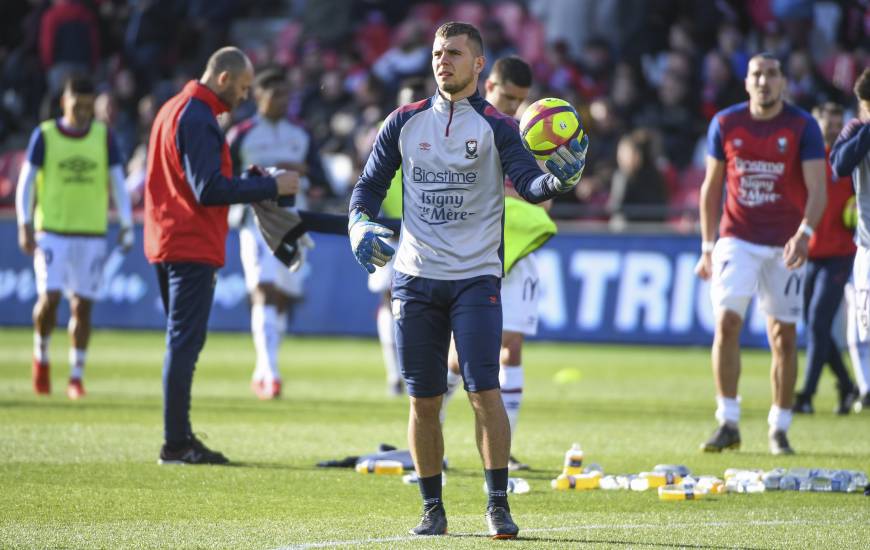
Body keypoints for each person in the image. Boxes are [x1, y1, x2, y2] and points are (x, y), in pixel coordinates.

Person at [348, 22, 587, 538]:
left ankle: (497, 503)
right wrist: (358, 224)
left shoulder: (500, 127)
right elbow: (367, 188)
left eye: (454, 53)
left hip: (476, 277)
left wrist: (558, 181)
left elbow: (529, 180)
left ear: (479, 65)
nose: (442, 60)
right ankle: (432, 509)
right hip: (414, 278)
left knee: (484, 390)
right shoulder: (404, 122)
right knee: (424, 400)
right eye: (438, 52)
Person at [144, 47, 299, 465]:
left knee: (180, 342)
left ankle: (178, 437)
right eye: (245, 87)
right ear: (225, 78)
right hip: (190, 243)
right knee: (184, 343)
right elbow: (208, 189)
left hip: (166, 238)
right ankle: (176, 443)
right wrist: (272, 187)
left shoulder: (172, 109)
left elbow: (192, 179)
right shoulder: (197, 116)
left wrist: (249, 181)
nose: (246, 96)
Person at [695, 53, 827, 456]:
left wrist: (805, 233)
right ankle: (728, 421)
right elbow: (711, 187)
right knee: (726, 325)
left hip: (785, 244)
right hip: (738, 237)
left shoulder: (802, 126)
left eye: (772, 74)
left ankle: (780, 427)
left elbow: (818, 188)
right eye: (757, 74)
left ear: (783, 80)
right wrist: (707, 246)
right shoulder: (726, 123)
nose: (764, 81)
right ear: (747, 81)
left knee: (783, 337)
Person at [441, 55, 556, 473]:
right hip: (472, 253)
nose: (513, 107)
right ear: (488, 83)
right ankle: (430, 427)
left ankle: (504, 448)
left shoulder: (531, 133)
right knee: (462, 355)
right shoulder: (464, 125)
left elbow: (543, 200)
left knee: (512, 346)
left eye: (520, 99)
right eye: (508, 97)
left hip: (517, 255)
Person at [15, 74, 133, 400]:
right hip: (51, 231)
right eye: (75, 104)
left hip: (91, 233)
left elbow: (117, 183)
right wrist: (24, 224)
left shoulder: (102, 137)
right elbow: (26, 183)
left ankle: (76, 376)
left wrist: (125, 223)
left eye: (87, 105)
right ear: (63, 102)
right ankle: (41, 356)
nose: (81, 111)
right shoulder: (46, 135)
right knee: (49, 300)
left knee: (82, 306)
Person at [227, 68, 329, 400]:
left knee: (283, 297)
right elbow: (222, 178)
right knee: (264, 290)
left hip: (292, 222)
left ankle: (265, 364)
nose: (285, 101)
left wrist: (302, 172)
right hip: (253, 221)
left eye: (288, 95)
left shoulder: (300, 134)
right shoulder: (241, 134)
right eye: (277, 95)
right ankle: (270, 372)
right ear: (259, 96)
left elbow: (321, 179)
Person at [794, 102, 858, 415]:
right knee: (813, 325)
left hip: (841, 253)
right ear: (815, 124)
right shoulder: (808, 159)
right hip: (813, 252)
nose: (832, 128)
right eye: (827, 123)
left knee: (818, 321)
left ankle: (806, 395)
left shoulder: (848, 158)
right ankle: (847, 385)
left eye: (836, 123)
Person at [831, 67, 870, 413]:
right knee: (864, 323)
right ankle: (867, 386)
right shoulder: (857, 130)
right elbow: (839, 166)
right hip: (868, 248)